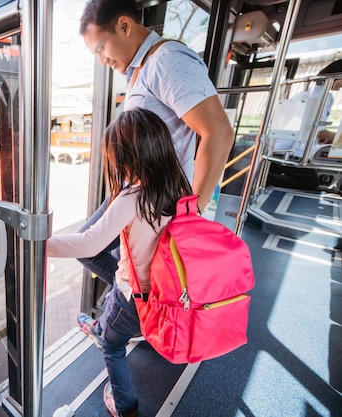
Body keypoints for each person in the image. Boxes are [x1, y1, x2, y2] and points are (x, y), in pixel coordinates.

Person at [75, 0, 235, 286]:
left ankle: (135, 307)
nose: (101, 60)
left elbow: (218, 132)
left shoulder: (167, 60)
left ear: (124, 26)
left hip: (157, 197)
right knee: (93, 249)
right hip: (135, 190)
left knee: (91, 248)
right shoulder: (140, 70)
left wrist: (191, 212)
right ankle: (136, 304)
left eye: (101, 48)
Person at [48, 109, 192, 417]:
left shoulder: (131, 198)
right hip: (167, 295)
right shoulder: (179, 189)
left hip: (133, 301)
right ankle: (101, 325)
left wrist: (41, 246)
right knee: (117, 298)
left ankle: (125, 405)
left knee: (112, 347)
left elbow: (90, 243)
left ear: (128, 159)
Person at [267, 59, 342, 190]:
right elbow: (318, 130)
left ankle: (266, 178)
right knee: (311, 182)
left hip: (280, 148)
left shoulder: (305, 94)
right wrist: (338, 138)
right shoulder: (322, 97)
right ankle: (266, 179)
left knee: (281, 173)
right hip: (292, 151)